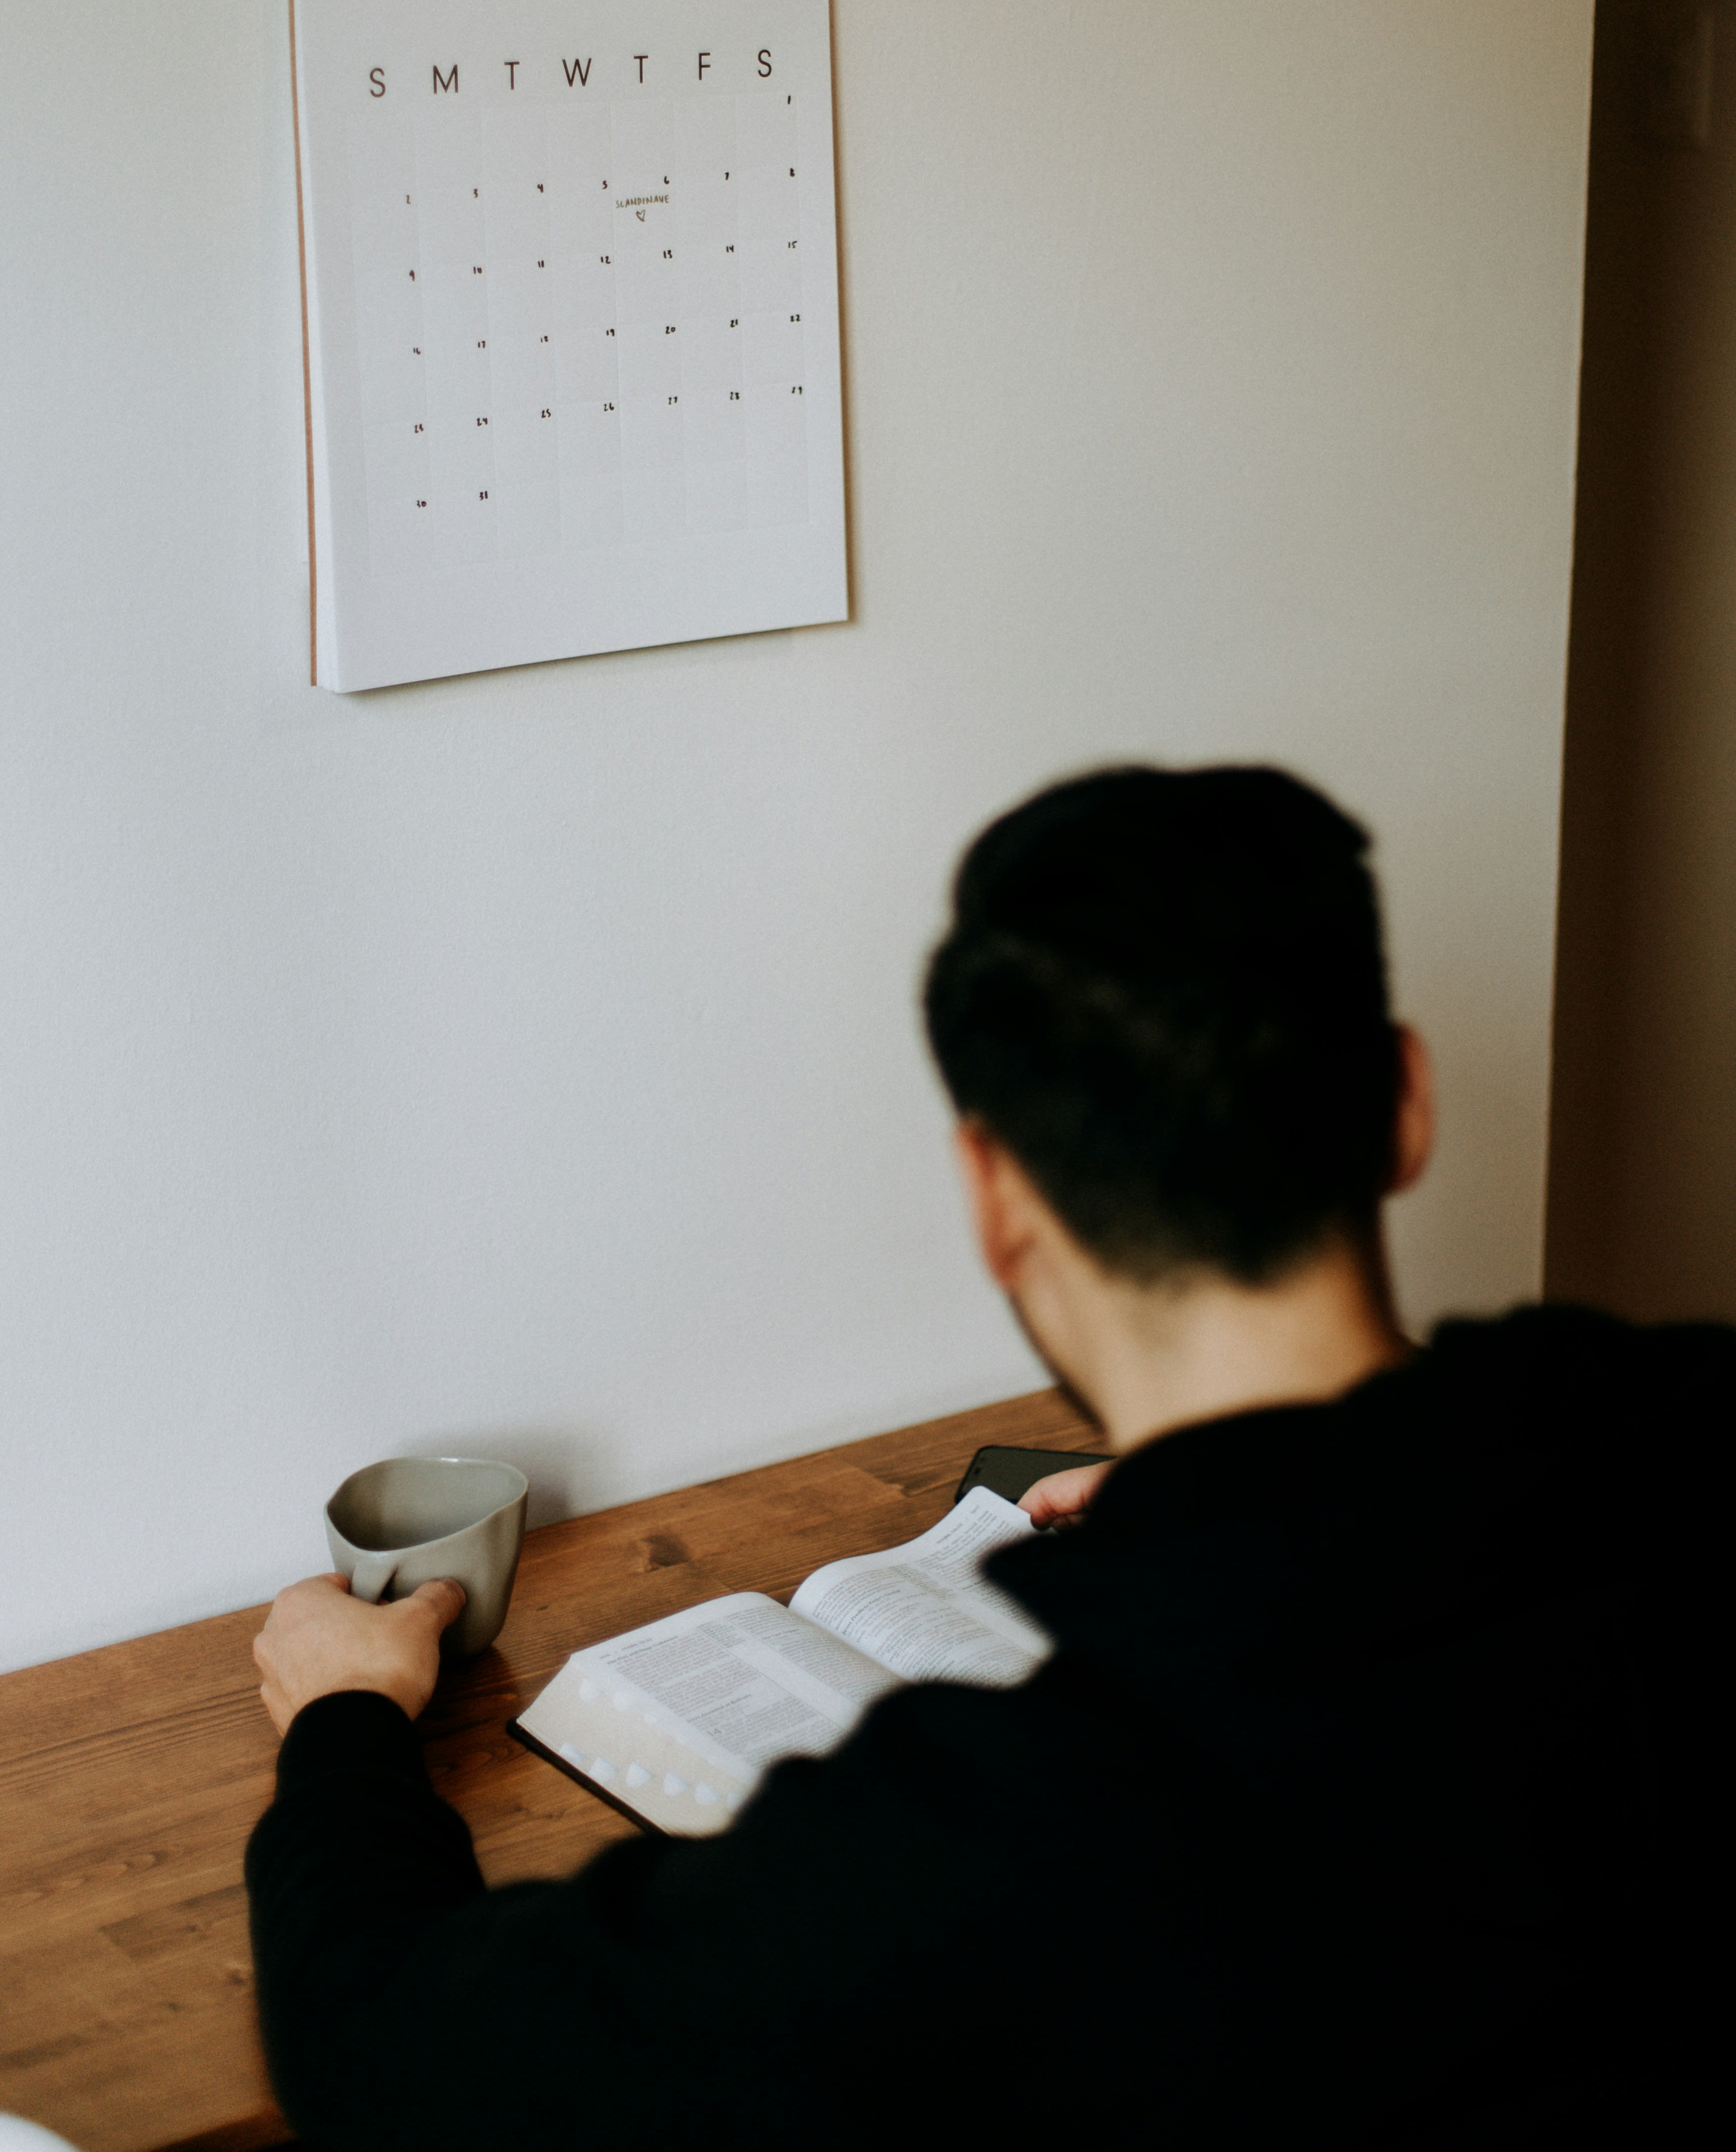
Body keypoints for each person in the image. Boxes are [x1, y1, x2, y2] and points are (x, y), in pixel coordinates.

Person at [246, 765, 1731, 2147]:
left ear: (993, 1197)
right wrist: (1310, 1478)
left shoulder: (980, 1856)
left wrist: (343, 1723)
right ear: (1406, 1104)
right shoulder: (1671, 1431)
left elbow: (380, 2056)